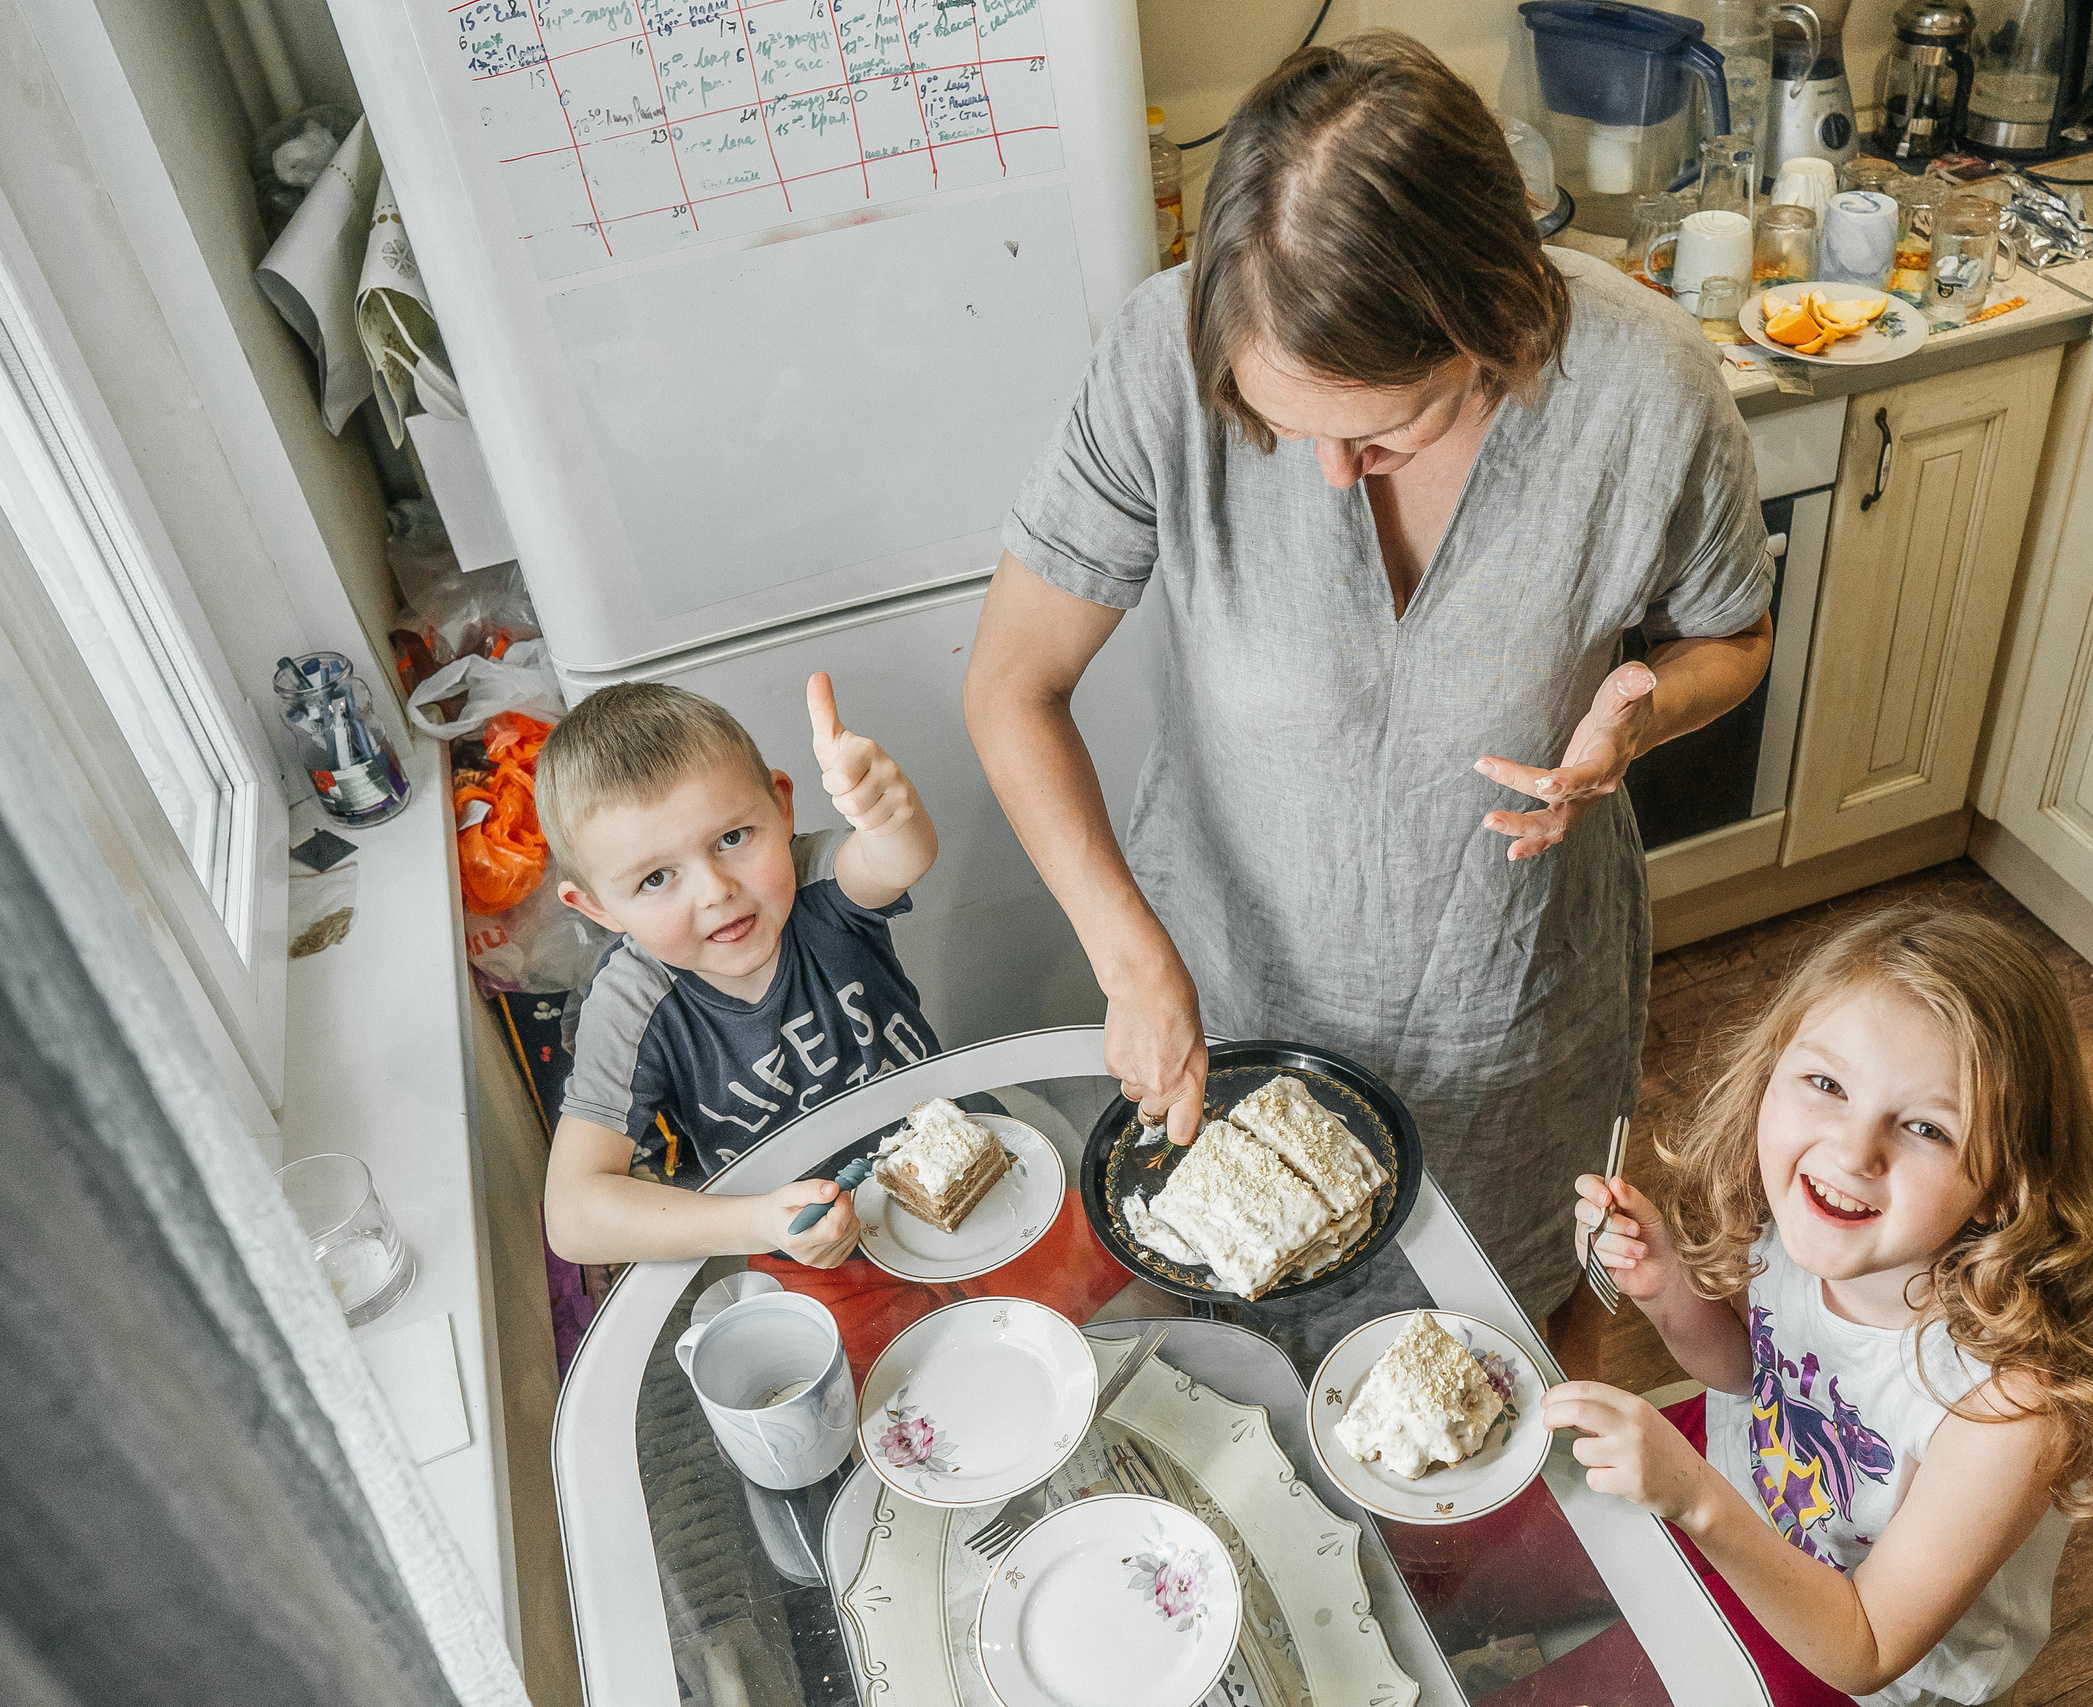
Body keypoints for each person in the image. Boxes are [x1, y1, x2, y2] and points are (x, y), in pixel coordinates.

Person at [964, 33, 1776, 1325]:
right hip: (1229, 994)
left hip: (1506, 1013)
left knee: (1498, 1342)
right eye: (1285, 427)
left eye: (1383, 429)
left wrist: (1646, 713)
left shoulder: (1648, 389)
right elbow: (1011, 685)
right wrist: (1131, 959)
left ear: (1492, 322)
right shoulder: (1154, 361)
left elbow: (1730, 635)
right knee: (1241, 1358)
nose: (1330, 477)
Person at [1545, 906, 2093, 1707]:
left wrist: (1695, 1497)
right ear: (1767, 1077)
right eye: (1825, 1084)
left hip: (1840, 1639)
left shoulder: (2015, 1405)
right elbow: (1749, 1374)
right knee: (1513, 1550)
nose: (1853, 1152)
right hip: (1741, 1483)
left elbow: (1869, 1645)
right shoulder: (1799, 1221)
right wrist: (1667, 1288)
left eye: (1926, 1127)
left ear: (2005, 1182)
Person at [541, 674, 939, 1266]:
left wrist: (885, 817)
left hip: (948, 1155)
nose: (715, 892)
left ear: (781, 808)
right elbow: (572, 1217)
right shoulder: (632, 1003)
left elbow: (898, 857)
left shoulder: (817, 884)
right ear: (598, 909)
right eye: (655, 878)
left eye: (732, 837)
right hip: (804, 1252)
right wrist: (759, 1223)